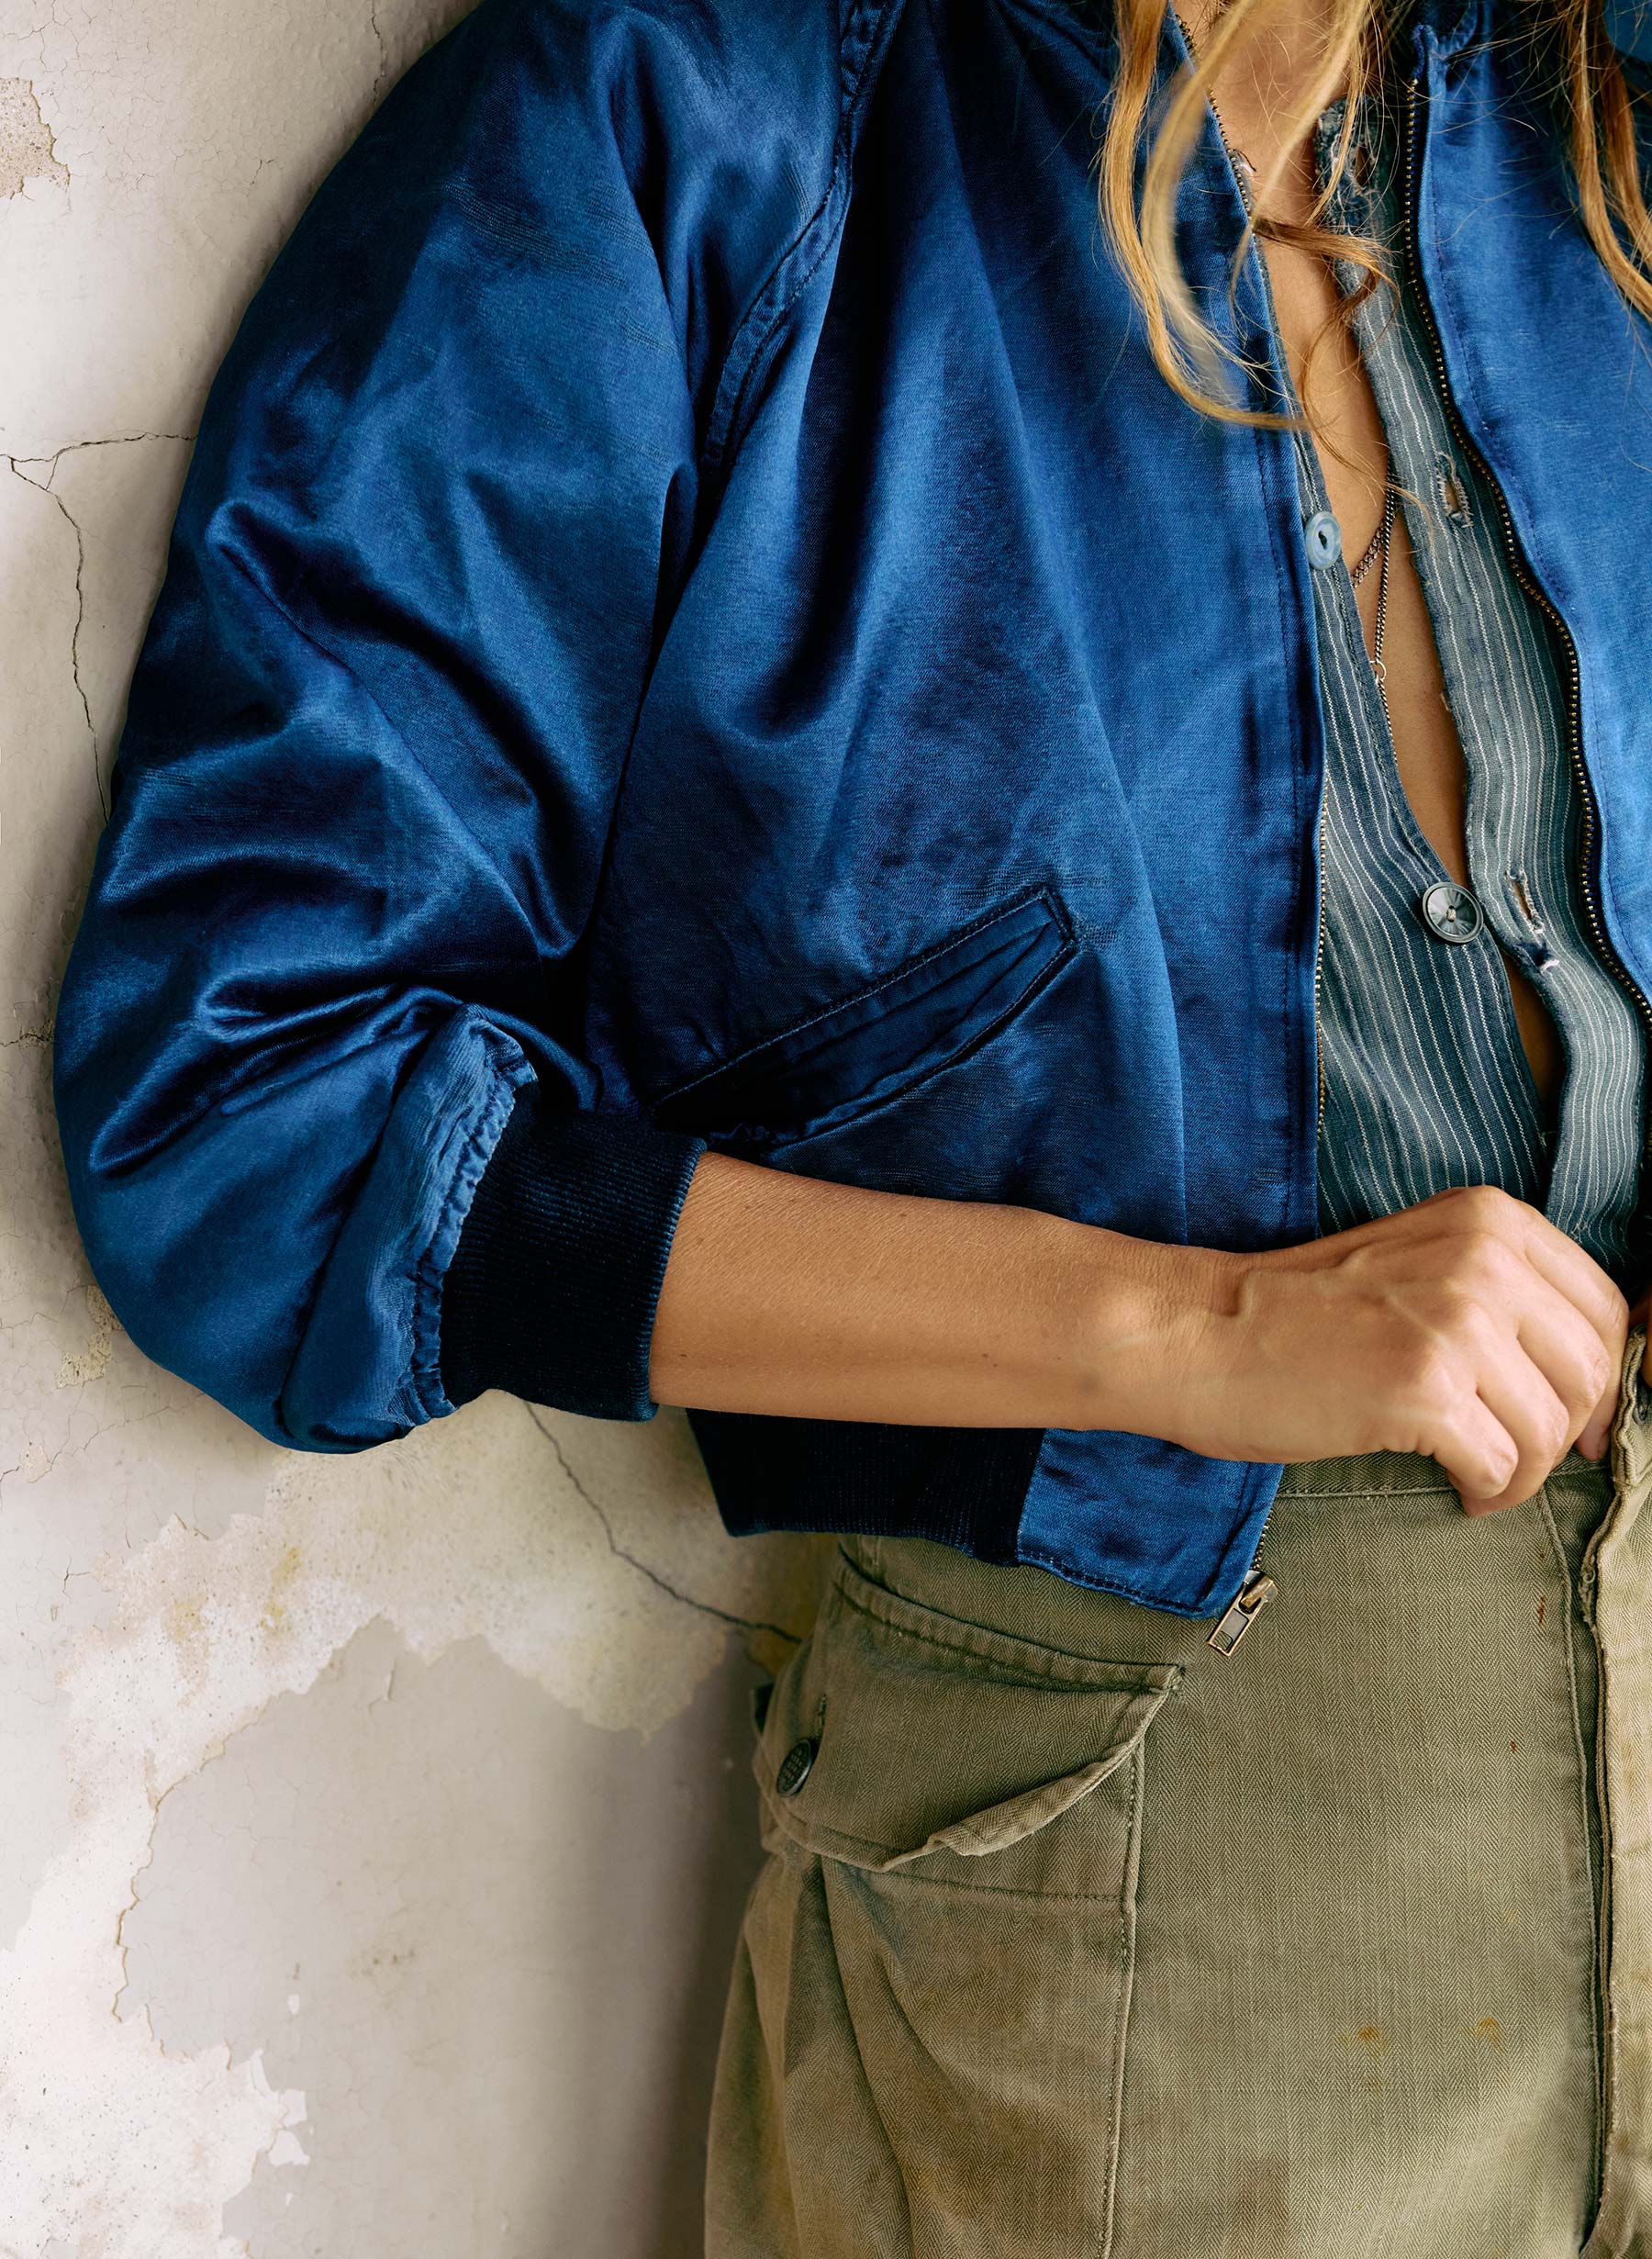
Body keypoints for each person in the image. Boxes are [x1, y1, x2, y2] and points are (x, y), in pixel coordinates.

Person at [48, 0, 1652, 2243]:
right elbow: (251, 1107)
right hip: (1153, 1872)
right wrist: (1179, 1332)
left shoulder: (1583, 111)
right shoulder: (688, 111)